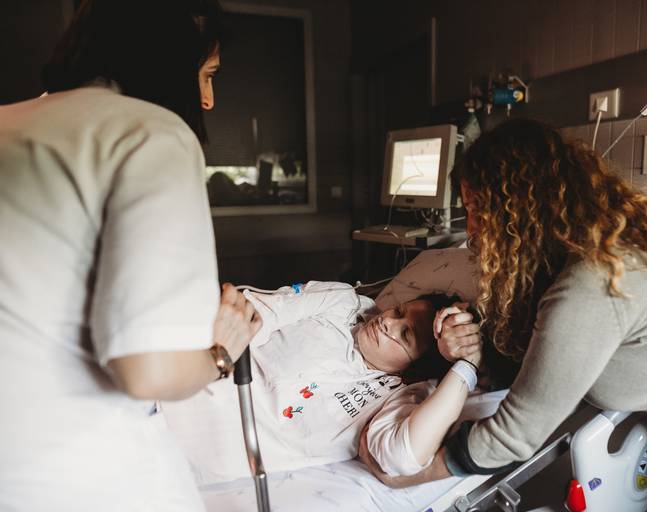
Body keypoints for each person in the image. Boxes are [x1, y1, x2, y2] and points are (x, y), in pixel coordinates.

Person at [359, 118, 647, 510]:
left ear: (519, 214)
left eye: (479, 213)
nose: (473, 233)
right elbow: (562, 353)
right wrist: (480, 351)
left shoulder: (595, 281)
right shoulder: (619, 241)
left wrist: (407, 474)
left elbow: (514, 436)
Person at [0, 1, 260, 510]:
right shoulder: (149, 134)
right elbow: (147, 371)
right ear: (166, 58)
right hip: (78, 477)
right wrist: (220, 351)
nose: (207, 99)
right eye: (205, 75)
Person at [162, 281, 482, 480]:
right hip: (184, 385)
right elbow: (254, 314)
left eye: (405, 334)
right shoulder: (344, 304)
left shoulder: (398, 393)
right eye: (398, 311)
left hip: (203, 458)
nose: (386, 322)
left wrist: (465, 367)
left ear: (411, 370)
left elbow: (401, 456)